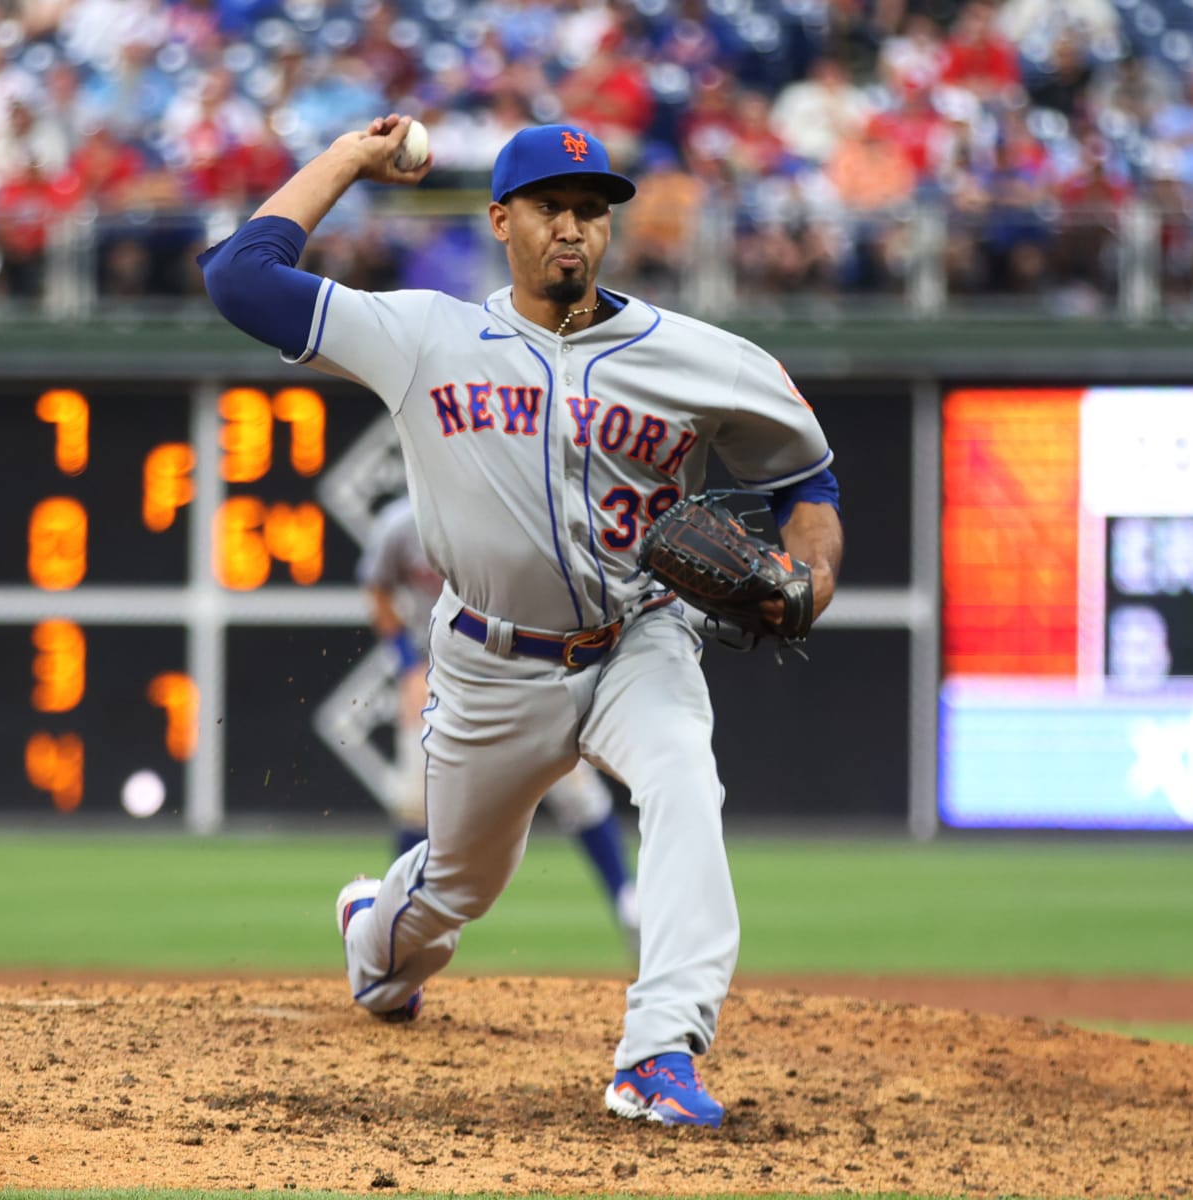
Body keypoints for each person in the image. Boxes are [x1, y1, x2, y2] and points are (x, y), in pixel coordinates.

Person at [197, 116, 842, 1129]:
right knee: (449, 895)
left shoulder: (695, 358)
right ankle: (377, 936)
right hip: (492, 663)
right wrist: (353, 162)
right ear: (502, 219)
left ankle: (659, 1050)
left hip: (641, 635)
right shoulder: (427, 337)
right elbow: (240, 276)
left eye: (592, 210)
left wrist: (812, 576)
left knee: (684, 779)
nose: (573, 228)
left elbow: (808, 478)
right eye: (551, 207)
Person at [359, 494, 642, 954]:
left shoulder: (510, 508)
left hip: (519, 671)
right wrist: (409, 665)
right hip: (435, 675)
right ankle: (394, 934)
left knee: (576, 791)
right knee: (419, 803)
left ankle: (629, 904)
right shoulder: (401, 524)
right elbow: (376, 588)